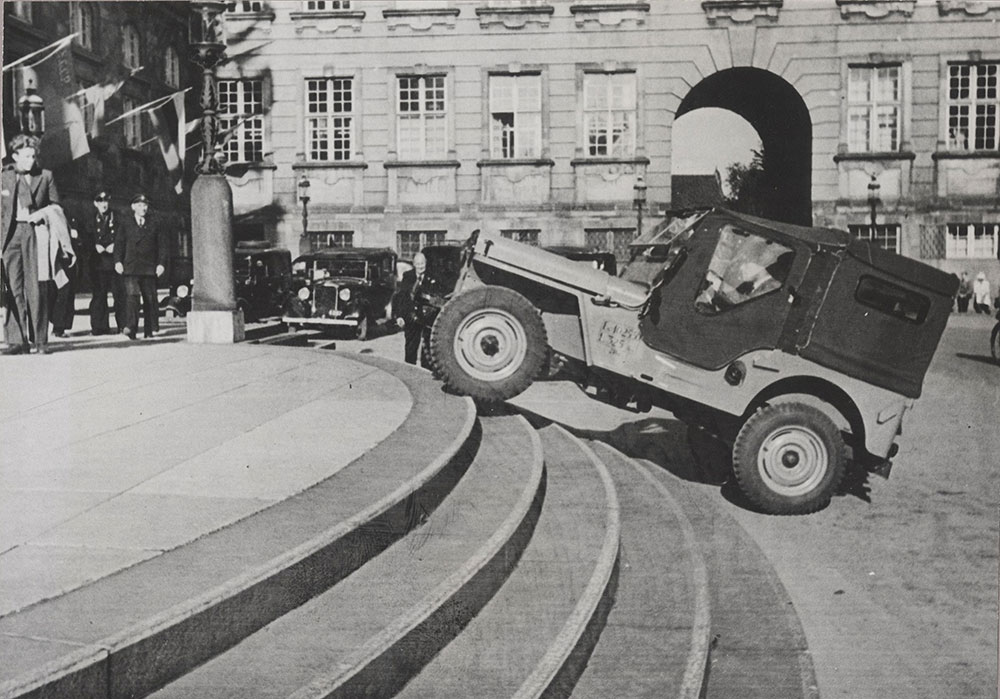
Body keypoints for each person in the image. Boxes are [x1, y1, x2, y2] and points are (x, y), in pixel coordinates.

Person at [1, 134, 61, 355]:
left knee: (37, 288)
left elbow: (57, 207)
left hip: (35, 233)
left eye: (33, 156)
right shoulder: (4, 176)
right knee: (12, 288)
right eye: (26, 156)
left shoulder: (45, 176)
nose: (31, 161)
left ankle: (40, 340)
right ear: (15, 155)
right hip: (10, 236)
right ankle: (17, 341)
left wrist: (41, 214)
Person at [114, 193, 166, 339]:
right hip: (131, 266)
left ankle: (149, 330)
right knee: (132, 296)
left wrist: (161, 264)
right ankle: (131, 327)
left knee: (149, 299)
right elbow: (119, 244)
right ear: (133, 207)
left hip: (149, 267)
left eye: (145, 205)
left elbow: (162, 246)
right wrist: (117, 261)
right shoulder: (125, 223)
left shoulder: (155, 223)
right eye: (140, 205)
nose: (143, 208)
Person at [85, 190, 125, 335]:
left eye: (106, 201)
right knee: (99, 295)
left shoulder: (118, 218)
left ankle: (123, 325)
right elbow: (86, 239)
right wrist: (94, 246)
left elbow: (123, 237)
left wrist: (116, 246)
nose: (104, 204)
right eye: (100, 201)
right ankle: (99, 327)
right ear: (95, 203)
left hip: (114, 262)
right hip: (98, 263)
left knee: (119, 294)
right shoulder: (90, 219)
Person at [394, 251, 432, 366]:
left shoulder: (431, 277)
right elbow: (401, 297)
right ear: (414, 264)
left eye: (422, 263)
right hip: (410, 316)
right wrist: (400, 316)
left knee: (427, 349)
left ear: (426, 263)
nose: (420, 266)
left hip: (426, 318)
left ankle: (426, 373)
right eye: (418, 263)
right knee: (410, 348)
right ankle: (410, 370)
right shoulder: (407, 276)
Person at [49, 214, 81, 337]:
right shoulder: (50, 216)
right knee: (60, 291)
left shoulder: (69, 217)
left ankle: (60, 326)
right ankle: (58, 326)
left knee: (67, 292)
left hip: (68, 260)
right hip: (56, 260)